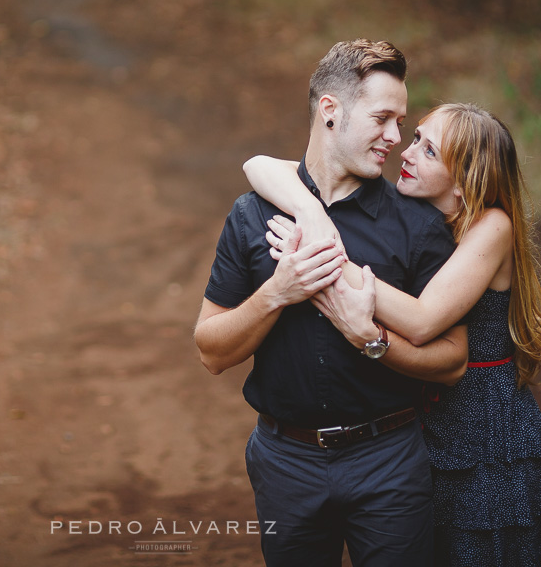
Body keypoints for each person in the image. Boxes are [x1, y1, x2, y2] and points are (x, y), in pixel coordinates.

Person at [244, 102, 541, 566]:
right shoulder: (416, 215)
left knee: (477, 549)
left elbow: (422, 322)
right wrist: (306, 207)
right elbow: (258, 166)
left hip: (479, 420)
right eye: (415, 137)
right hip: (417, 412)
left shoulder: (491, 226)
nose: (407, 151)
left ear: (464, 183)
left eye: (430, 151)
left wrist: (320, 258)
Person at [195, 39, 468, 567]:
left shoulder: (418, 225)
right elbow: (211, 351)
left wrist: (371, 340)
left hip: (389, 460)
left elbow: (453, 360)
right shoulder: (253, 217)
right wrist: (278, 293)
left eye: (401, 121)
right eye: (383, 118)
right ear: (330, 111)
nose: (395, 138)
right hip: (285, 462)